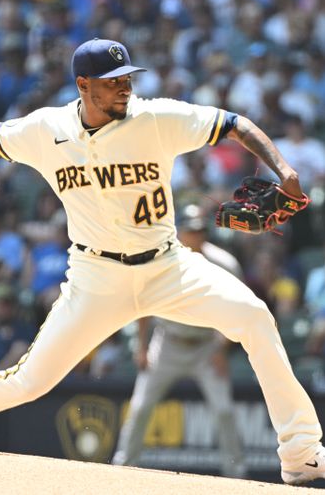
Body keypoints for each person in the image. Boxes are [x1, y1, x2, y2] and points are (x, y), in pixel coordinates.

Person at [0, 38, 325, 484]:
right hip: (96, 277)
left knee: (254, 317)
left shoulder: (155, 117)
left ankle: (300, 454)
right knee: (30, 381)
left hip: (169, 266)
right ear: (84, 85)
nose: (125, 87)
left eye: (127, 78)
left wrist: (285, 168)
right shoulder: (47, 129)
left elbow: (235, 124)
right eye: (113, 81)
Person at [112, 205, 247, 479]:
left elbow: (240, 309)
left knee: (223, 410)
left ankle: (237, 476)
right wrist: (141, 346)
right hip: (167, 345)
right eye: (190, 230)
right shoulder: (162, 260)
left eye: (199, 230)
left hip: (206, 347)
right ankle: (122, 469)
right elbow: (144, 305)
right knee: (139, 407)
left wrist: (223, 347)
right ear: (179, 232)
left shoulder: (224, 263)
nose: (195, 235)